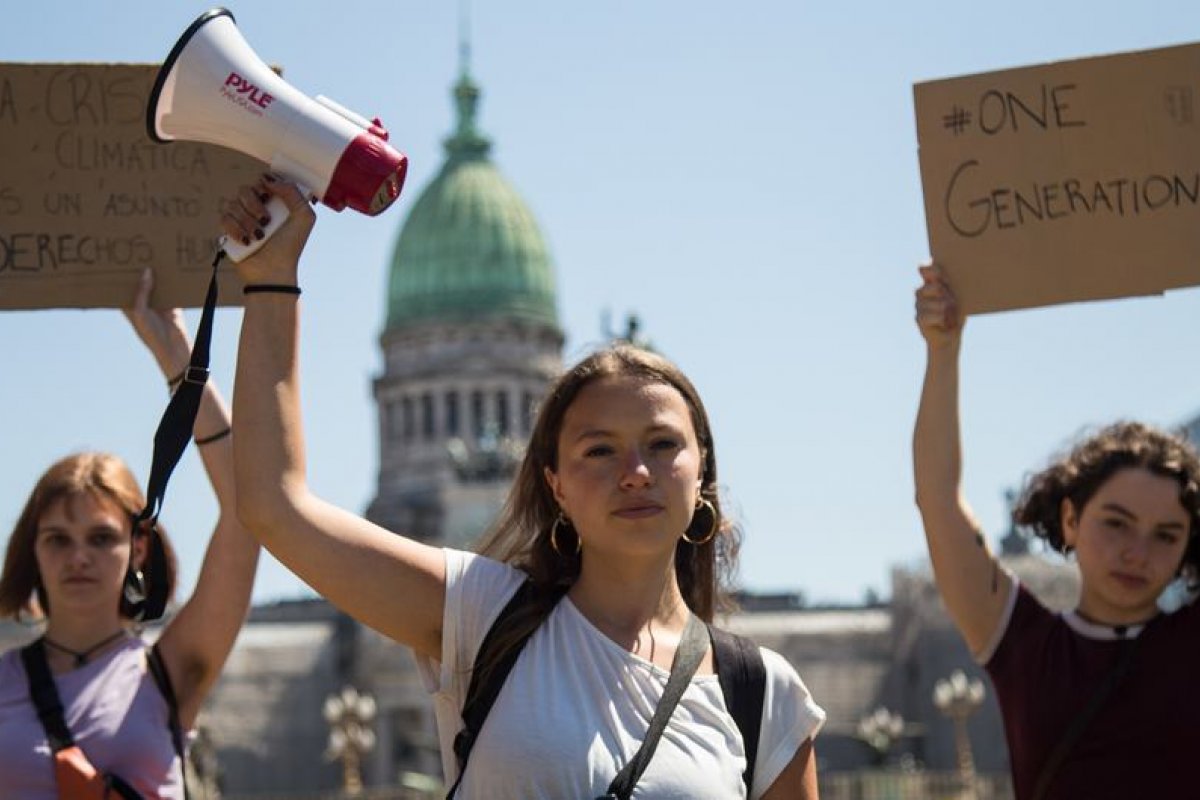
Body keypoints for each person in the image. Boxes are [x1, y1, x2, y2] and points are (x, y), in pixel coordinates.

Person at [223, 177, 825, 798]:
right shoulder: (481, 619)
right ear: (555, 485)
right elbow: (274, 506)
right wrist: (272, 276)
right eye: (599, 449)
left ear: (703, 473)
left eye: (662, 444)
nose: (635, 471)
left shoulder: (762, 696)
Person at [913, 263, 1200, 799]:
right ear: (1070, 518)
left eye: (1166, 534)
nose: (1137, 552)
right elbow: (937, 499)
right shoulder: (1023, 643)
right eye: (1116, 523)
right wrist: (943, 349)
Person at [0, 269, 260, 798]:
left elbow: (247, 510)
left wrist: (183, 368)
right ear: (34, 549)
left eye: (100, 538)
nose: (79, 558)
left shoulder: (170, 670)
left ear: (137, 546)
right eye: (58, 539)